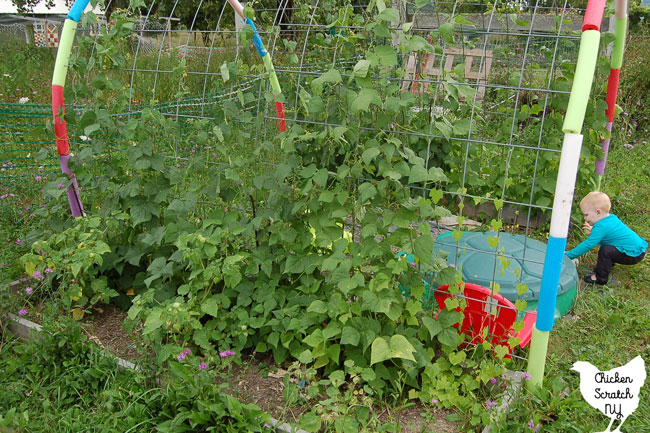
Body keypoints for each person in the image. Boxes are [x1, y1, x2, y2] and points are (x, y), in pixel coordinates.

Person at [566, 191, 647, 285]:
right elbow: (609, 232)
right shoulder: (610, 218)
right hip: (638, 250)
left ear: (598, 212)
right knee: (609, 248)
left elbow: (587, 245)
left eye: (586, 215)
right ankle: (608, 263)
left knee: (606, 251)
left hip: (633, 255)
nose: (585, 218)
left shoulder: (601, 227)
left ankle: (600, 278)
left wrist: (570, 255)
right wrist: (594, 231)